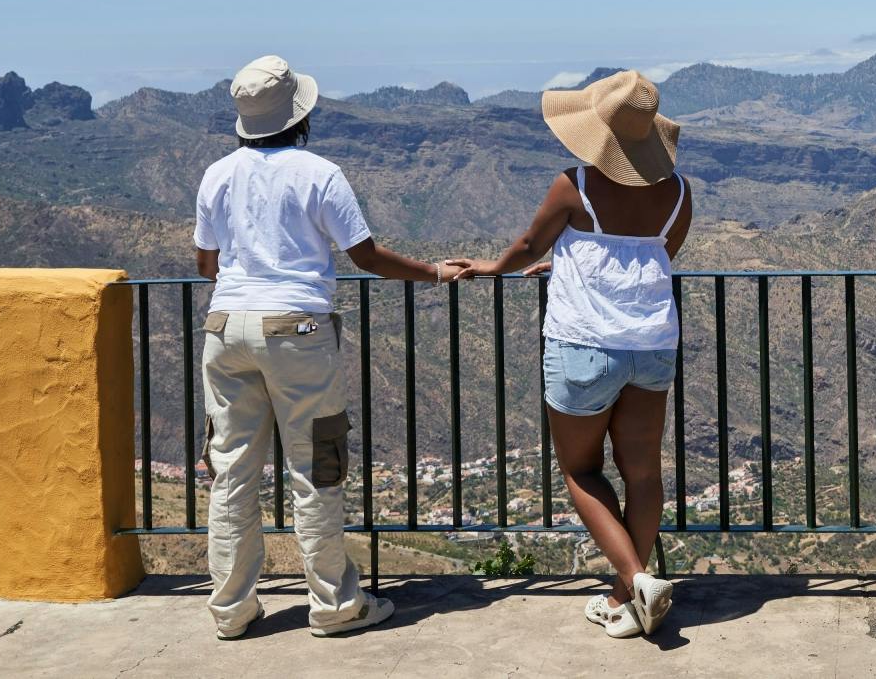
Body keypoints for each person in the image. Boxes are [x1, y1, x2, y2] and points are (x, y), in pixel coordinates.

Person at [195, 54, 459, 641]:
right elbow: (366, 257)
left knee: (232, 472)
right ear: (299, 115)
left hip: (223, 328)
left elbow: (205, 262)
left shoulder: (216, 174)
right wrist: (436, 273)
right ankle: (336, 606)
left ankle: (231, 610)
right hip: (298, 333)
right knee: (316, 466)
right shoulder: (319, 173)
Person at [447, 69, 688, 639]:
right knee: (644, 474)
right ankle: (624, 601)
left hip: (583, 343)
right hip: (651, 344)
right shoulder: (678, 192)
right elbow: (655, 254)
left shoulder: (574, 184)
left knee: (581, 469)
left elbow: (530, 244)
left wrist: (490, 267)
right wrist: (576, 260)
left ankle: (636, 580)